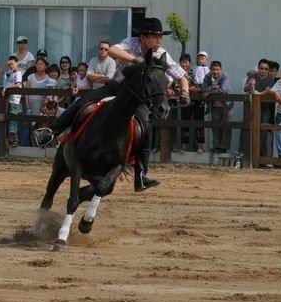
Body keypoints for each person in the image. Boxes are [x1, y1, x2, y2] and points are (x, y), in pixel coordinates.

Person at [34, 17, 189, 192]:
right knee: (83, 101)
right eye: (155, 36)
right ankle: (51, 132)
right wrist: (136, 60)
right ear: (143, 37)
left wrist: (185, 91)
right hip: (115, 88)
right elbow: (113, 51)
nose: (159, 40)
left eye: (160, 37)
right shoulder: (131, 43)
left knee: (146, 128)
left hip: (135, 99)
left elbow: (181, 75)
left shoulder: (160, 53)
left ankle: (140, 175)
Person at [245, 59, 276, 159]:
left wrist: (257, 94)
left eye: (265, 69)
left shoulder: (270, 79)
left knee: (263, 133)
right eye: (261, 68)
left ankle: (261, 157)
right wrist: (250, 84)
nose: (263, 70)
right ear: (258, 68)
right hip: (251, 107)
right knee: (249, 130)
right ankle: (248, 156)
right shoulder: (252, 76)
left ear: (268, 70)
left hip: (264, 109)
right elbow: (245, 88)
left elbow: (267, 91)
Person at [202, 60, 232, 153]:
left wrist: (209, 92)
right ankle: (216, 146)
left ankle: (223, 147)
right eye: (214, 69)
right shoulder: (207, 77)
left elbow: (223, 90)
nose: (215, 72)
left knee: (226, 126)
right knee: (215, 126)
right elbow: (203, 88)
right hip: (214, 105)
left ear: (221, 70)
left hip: (226, 105)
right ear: (210, 70)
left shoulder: (224, 76)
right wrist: (212, 87)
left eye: (217, 69)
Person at [25, 57, 57, 144]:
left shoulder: (48, 79)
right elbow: (26, 92)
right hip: (31, 103)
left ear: (45, 66)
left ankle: (42, 143)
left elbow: (50, 93)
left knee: (43, 124)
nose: (39, 66)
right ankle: (32, 144)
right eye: (37, 64)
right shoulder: (30, 77)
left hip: (43, 104)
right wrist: (27, 105)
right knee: (32, 124)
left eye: (41, 64)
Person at [178, 54, 205, 153]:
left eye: (186, 62)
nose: (184, 64)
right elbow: (177, 87)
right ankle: (184, 146)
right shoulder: (177, 74)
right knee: (185, 123)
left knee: (199, 123)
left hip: (198, 100)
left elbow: (202, 83)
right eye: (182, 62)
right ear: (179, 63)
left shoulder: (195, 72)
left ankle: (200, 146)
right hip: (185, 101)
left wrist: (197, 88)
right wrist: (189, 88)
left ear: (190, 63)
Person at [2, 55, 24, 148]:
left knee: (13, 119)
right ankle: (11, 139)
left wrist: (7, 87)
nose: (11, 65)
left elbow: (18, 84)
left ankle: (15, 139)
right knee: (9, 119)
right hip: (8, 99)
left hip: (15, 99)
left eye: (12, 64)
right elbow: (1, 72)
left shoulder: (18, 73)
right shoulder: (9, 72)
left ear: (17, 63)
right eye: (9, 64)